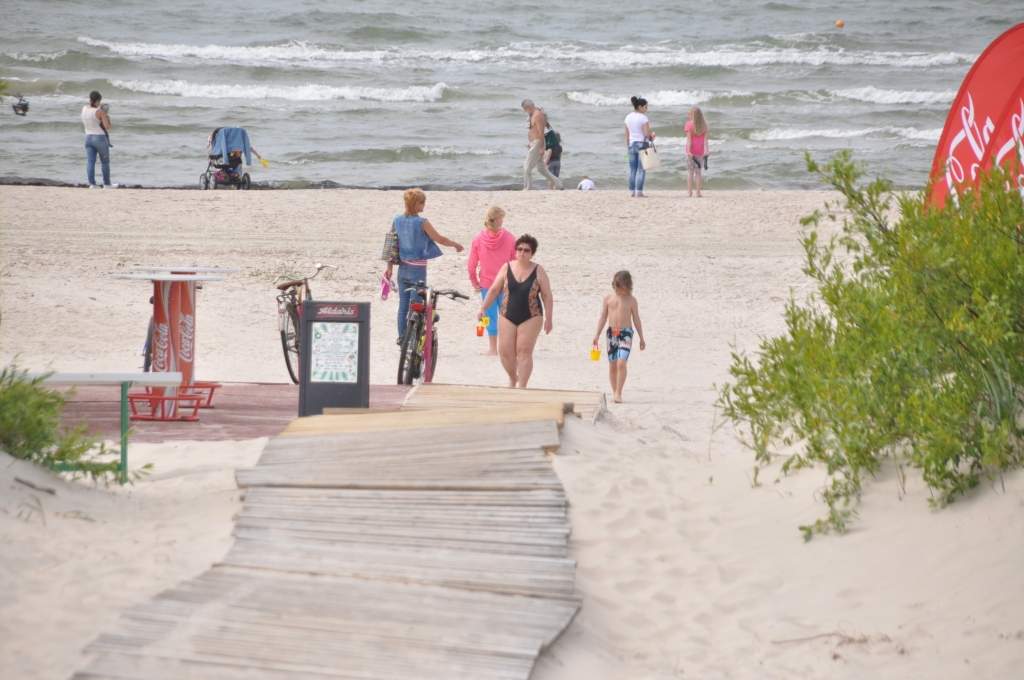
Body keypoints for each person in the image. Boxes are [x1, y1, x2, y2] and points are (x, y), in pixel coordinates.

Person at [384, 188, 464, 340]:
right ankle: (413, 340)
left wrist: (389, 268)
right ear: (415, 204)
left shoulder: (397, 220)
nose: (424, 205)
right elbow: (439, 238)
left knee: (403, 306)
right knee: (416, 306)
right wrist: (455, 245)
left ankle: (402, 338)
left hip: (402, 269)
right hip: (417, 271)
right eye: (422, 202)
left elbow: (390, 244)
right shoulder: (422, 222)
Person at [479, 234, 553, 388]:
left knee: (524, 351)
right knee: (505, 352)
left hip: (531, 315)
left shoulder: (538, 270)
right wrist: (483, 308)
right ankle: (513, 377)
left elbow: (547, 295)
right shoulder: (507, 267)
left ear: (532, 253)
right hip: (507, 314)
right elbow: (493, 290)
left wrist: (549, 318)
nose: (522, 253)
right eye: (519, 249)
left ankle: (522, 386)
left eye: (526, 250)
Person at [467, 206, 516, 356]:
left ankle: (493, 348)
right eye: (502, 218)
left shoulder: (478, 239)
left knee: (488, 316)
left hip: (486, 285)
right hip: (506, 284)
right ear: (498, 220)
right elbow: (515, 262)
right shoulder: (510, 238)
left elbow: (471, 265)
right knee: (507, 316)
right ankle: (508, 348)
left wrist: (475, 282)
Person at [591, 270, 646, 403]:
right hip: (611, 334)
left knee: (621, 363)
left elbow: (636, 319)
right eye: (616, 286)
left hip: (626, 334)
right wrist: (597, 334)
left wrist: (641, 337)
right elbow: (603, 317)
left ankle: (619, 393)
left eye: (621, 287)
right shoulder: (608, 299)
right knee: (612, 365)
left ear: (628, 286)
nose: (618, 290)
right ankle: (614, 390)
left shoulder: (632, 300)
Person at [521, 100, 563, 190]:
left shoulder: (538, 115)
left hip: (538, 143)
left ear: (528, 108)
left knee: (526, 167)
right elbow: (532, 130)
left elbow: (541, 133)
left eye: (525, 110)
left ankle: (528, 187)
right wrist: (530, 142)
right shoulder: (532, 115)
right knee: (541, 169)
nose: (525, 112)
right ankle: (558, 183)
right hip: (534, 143)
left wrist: (541, 147)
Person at [82, 91, 116, 188]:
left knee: (90, 162)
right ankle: (107, 184)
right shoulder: (100, 112)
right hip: (99, 138)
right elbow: (107, 127)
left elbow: (91, 110)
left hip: (88, 137)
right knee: (105, 162)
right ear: (97, 101)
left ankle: (92, 184)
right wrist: (106, 116)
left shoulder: (84, 109)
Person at [624, 95, 655, 198]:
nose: (647, 109)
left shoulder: (628, 117)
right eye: (646, 107)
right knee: (641, 170)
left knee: (632, 170)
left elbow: (627, 134)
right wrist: (652, 136)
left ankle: (632, 191)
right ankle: (639, 192)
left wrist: (628, 145)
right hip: (642, 144)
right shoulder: (643, 118)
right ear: (640, 107)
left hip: (632, 144)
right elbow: (646, 134)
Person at [685, 106, 710, 197]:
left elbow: (689, 141)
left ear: (692, 115)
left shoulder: (689, 124)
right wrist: (707, 151)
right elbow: (705, 141)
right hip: (701, 151)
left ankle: (689, 192)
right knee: (698, 172)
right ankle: (698, 193)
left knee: (690, 172)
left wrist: (688, 151)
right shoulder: (705, 125)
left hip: (691, 152)